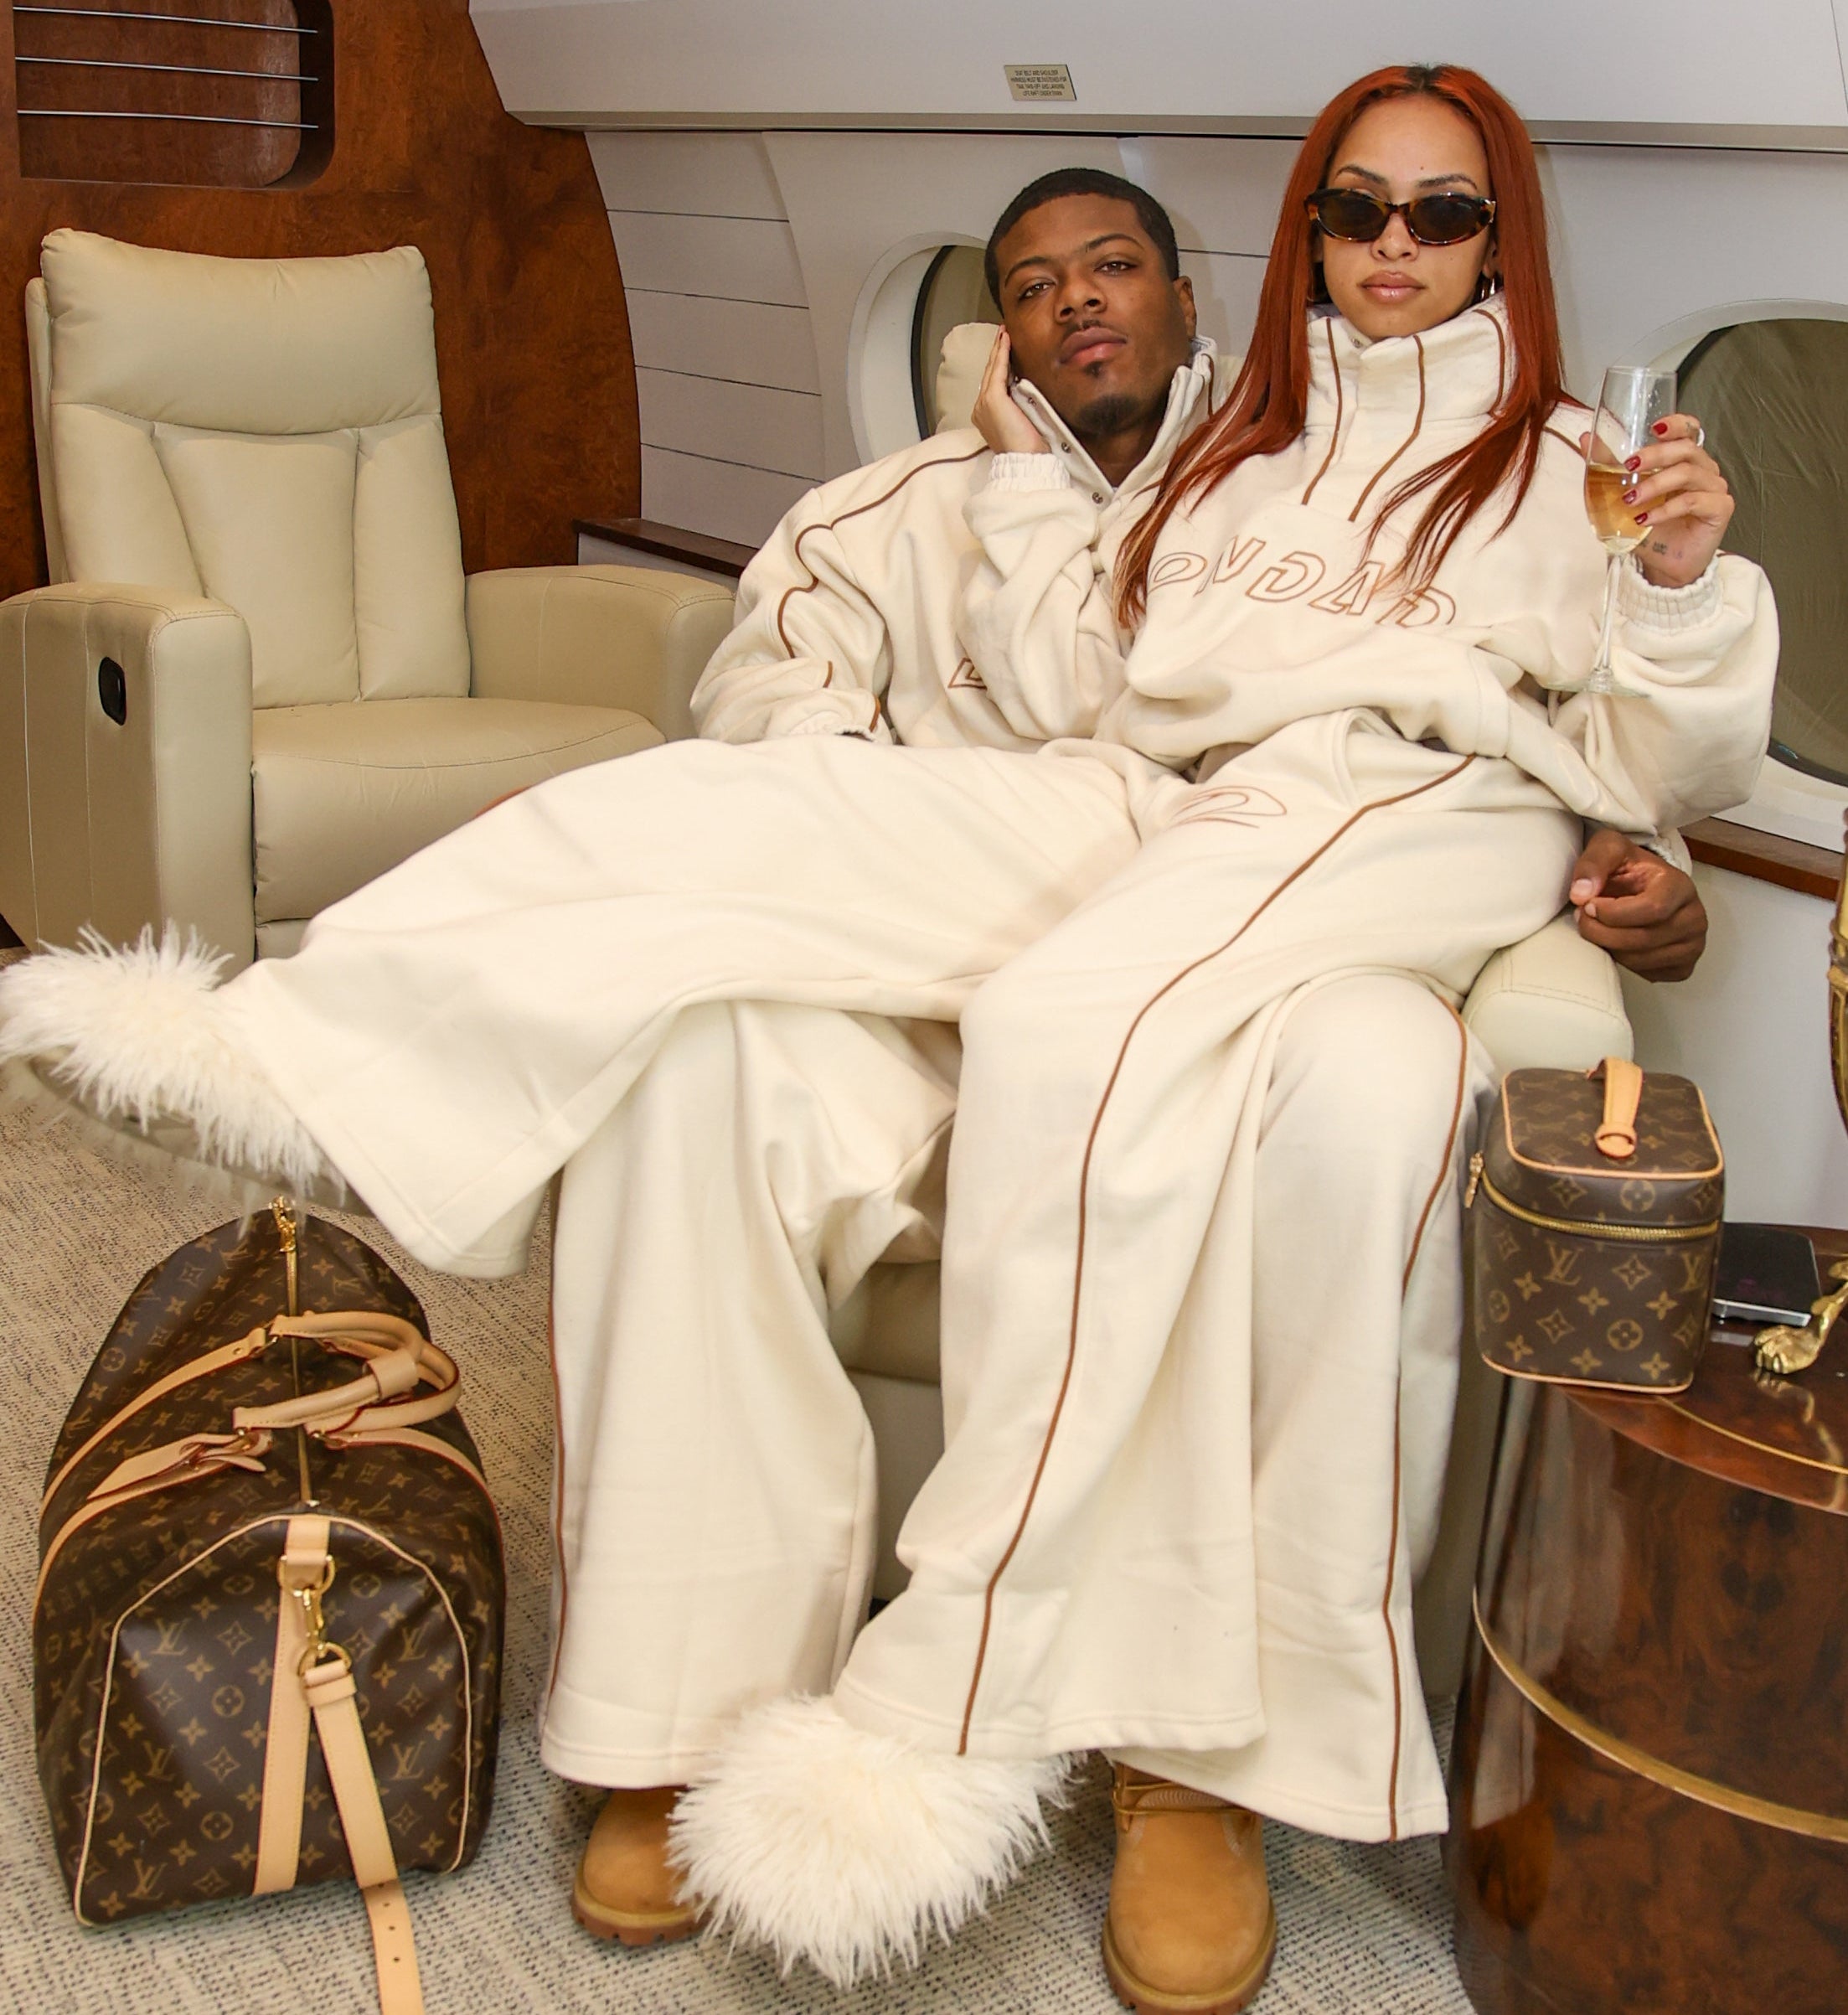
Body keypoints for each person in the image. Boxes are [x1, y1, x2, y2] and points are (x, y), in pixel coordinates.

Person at [0, 107, 1753, 2014]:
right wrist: (992, 520)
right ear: (1295, 238)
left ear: (1187, 285)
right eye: (1353, 208)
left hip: (1312, 855)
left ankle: (1111, 1732)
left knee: (1218, 1062)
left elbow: (1644, 758)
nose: (1390, 240)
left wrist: (1659, 655)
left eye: (1436, 212)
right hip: (1096, 829)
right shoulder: (1180, 471)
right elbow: (1019, 684)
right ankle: (301, 1070)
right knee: (699, 959)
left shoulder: (1559, 468)